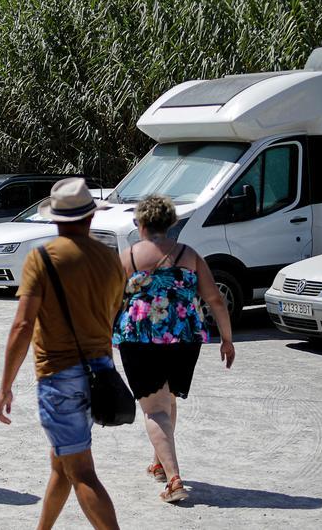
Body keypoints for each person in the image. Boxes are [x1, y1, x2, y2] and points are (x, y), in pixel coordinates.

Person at [0, 178, 123, 529]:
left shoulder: (43, 258)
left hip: (59, 373)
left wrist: (5, 385)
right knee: (62, 462)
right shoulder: (111, 260)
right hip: (99, 371)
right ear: (90, 216)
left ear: (56, 219)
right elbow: (111, 319)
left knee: (81, 471)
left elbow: (22, 325)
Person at [111, 194, 235, 503]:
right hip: (184, 337)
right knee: (168, 401)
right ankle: (159, 464)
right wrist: (227, 339)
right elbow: (215, 300)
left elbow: (108, 302)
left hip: (140, 337)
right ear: (171, 224)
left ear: (140, 224)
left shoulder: (128, 257)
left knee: (154, 409)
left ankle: (174, 477)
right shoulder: (189, 254)